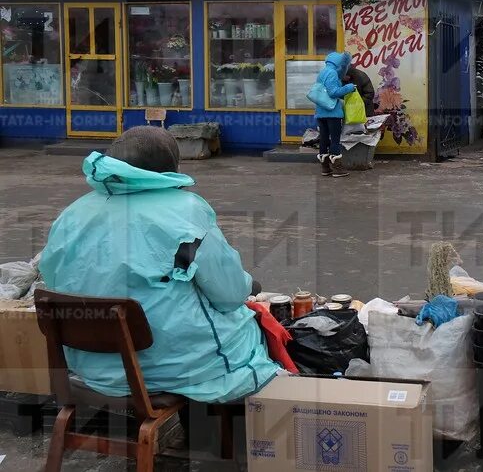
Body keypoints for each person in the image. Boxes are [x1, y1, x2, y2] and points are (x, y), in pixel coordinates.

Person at [38, 126, 280, 403]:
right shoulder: (185, 210)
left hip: (91, 366)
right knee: (251, 328)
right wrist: (249, 286)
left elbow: (53, 276)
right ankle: (213, 437)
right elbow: (230, 295)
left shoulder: (72, 212)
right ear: (169, 166)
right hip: (168, 370)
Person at [314, 51, 357, 177]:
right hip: (332, 112)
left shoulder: (322, 72)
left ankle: (325, 167)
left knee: (324, 138)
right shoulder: (332, 73)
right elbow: (333, 92)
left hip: (321, 112)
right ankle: (337, 168)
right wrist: (349, 88)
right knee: (335, 140)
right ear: (338, 63)